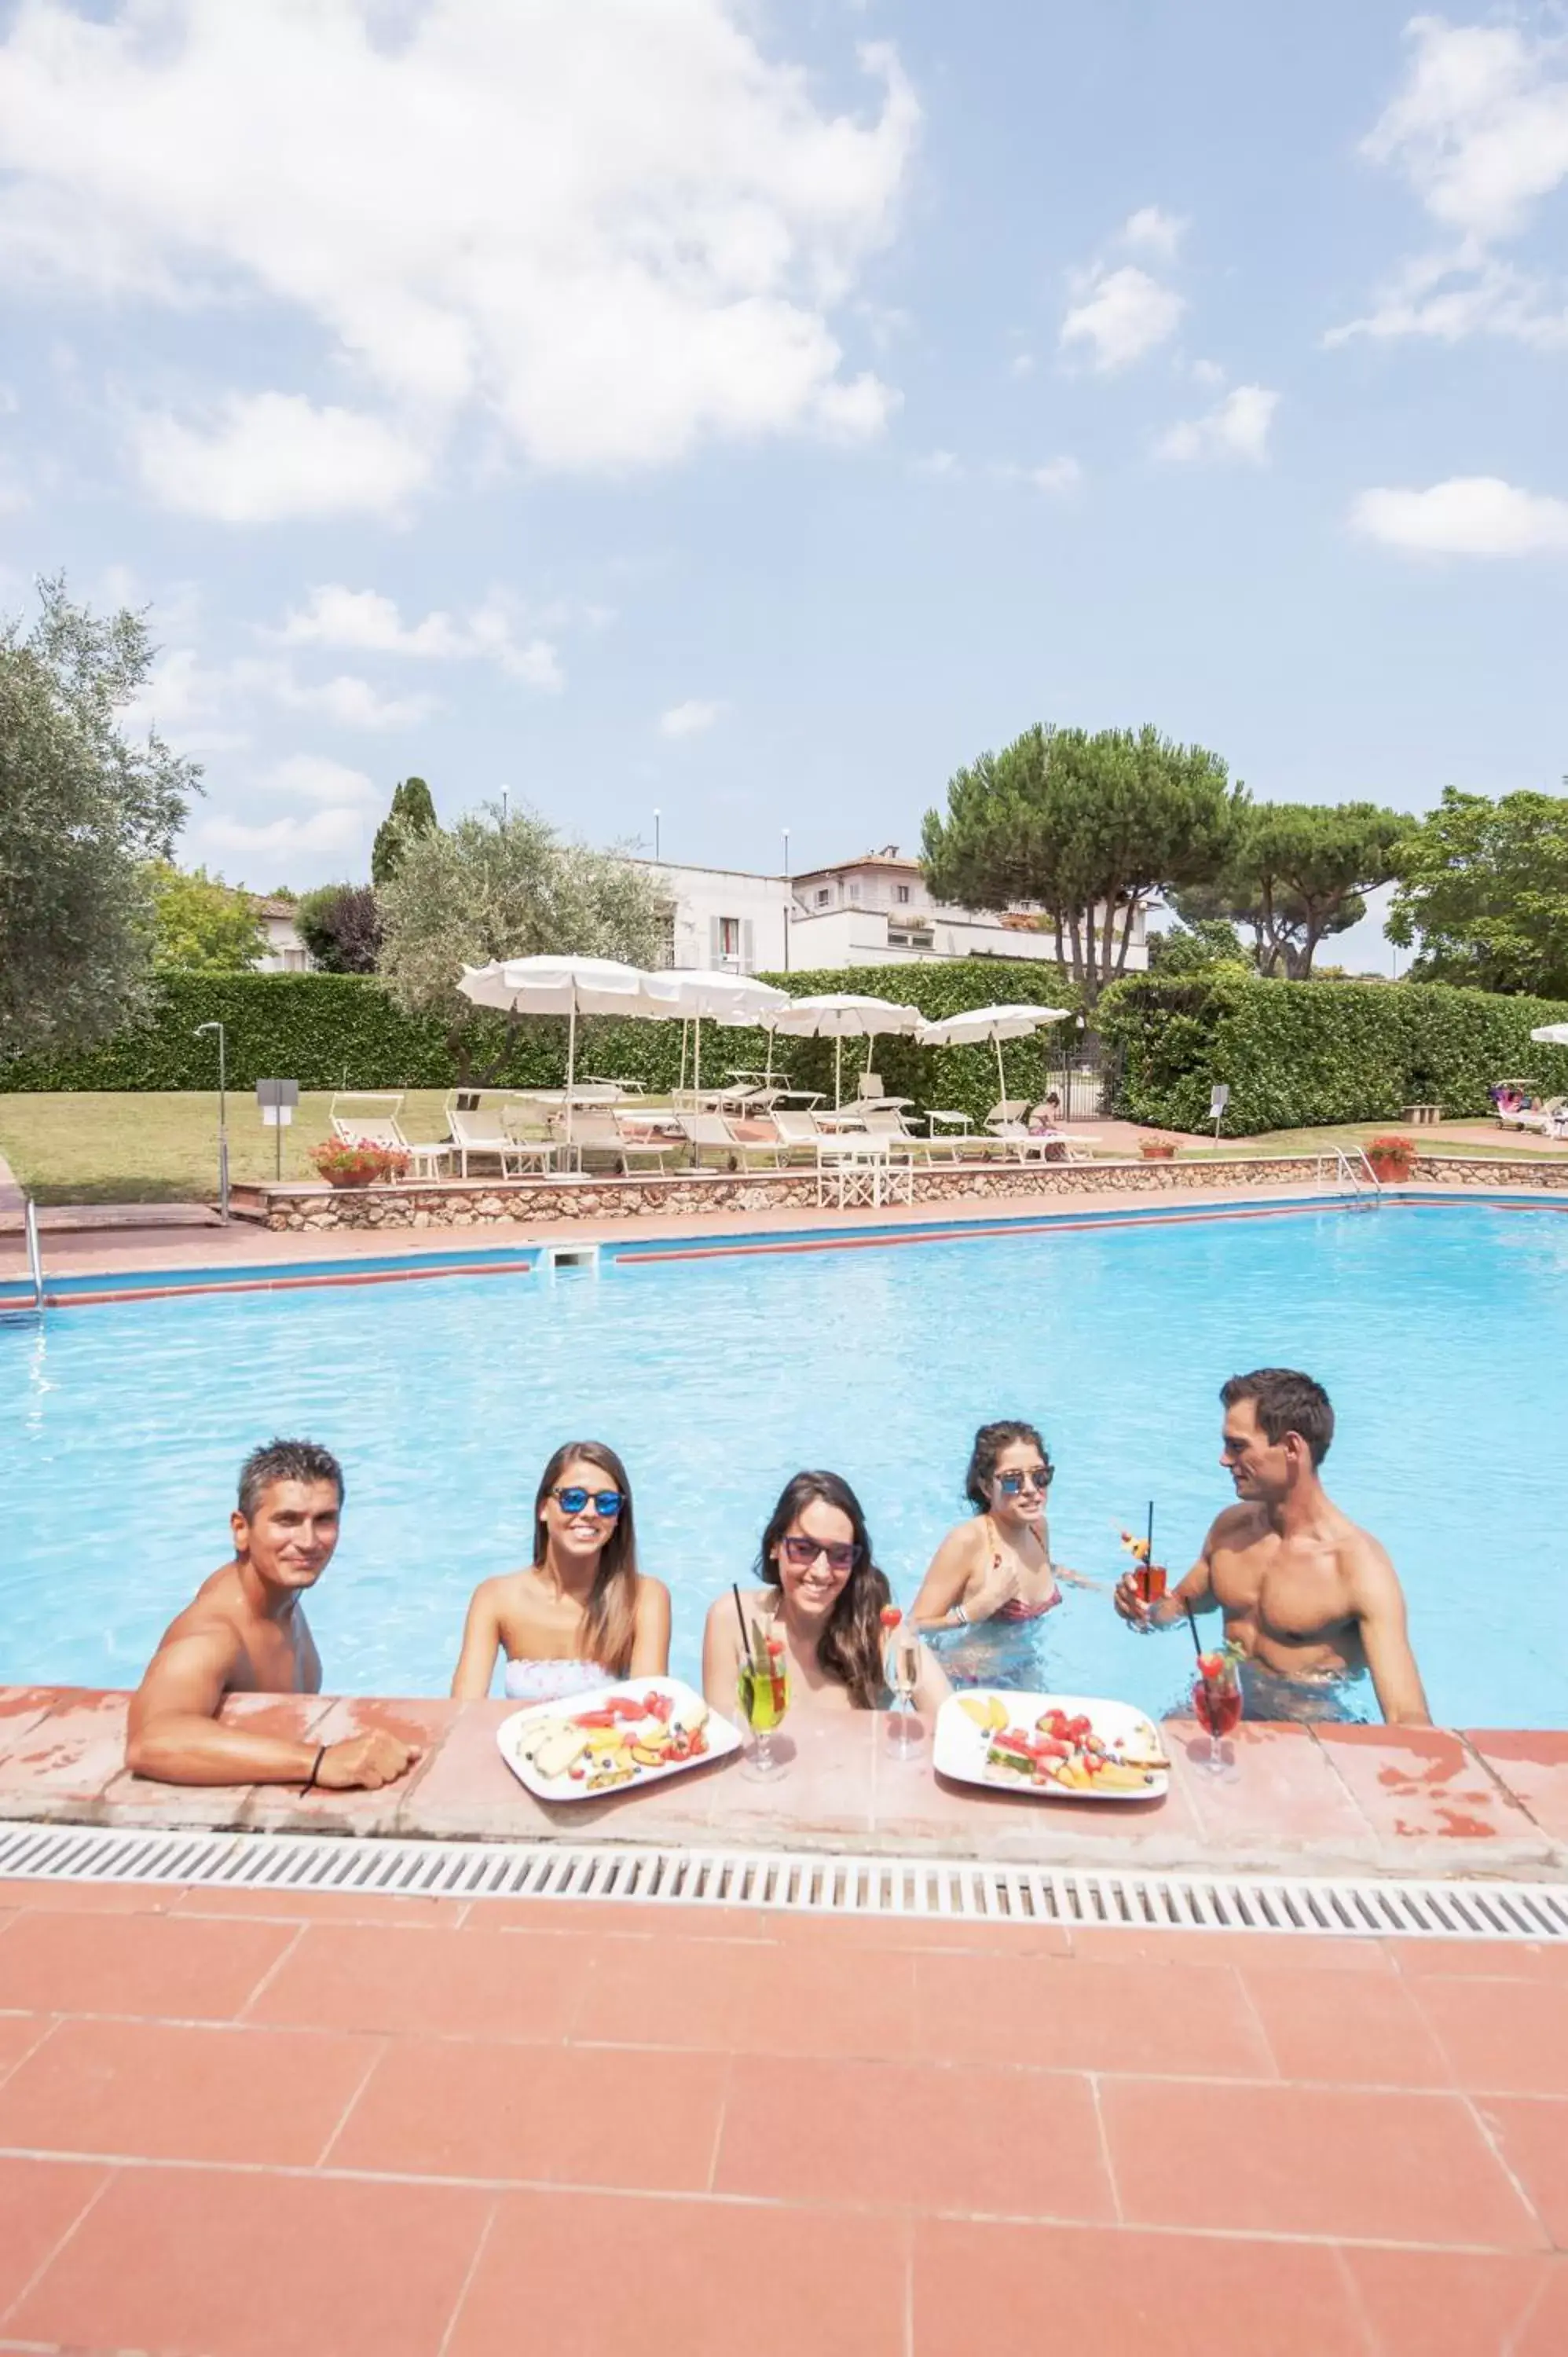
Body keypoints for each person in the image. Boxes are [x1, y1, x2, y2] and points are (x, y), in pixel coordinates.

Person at [1113, 1369, 1431, 1725]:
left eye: (1237, 1446)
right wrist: (1138, 1608)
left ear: (1292, 1448)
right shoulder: (1231, 1530)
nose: (1223, 1459)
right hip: (1227, 1707)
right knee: (1169, 1730)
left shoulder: (1356, 1567)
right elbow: (1173, 1610)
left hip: (1309, 1729)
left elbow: (1407, 1713)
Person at [126, 1438, 420, 1789]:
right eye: (287, 1521)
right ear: (241, 1530)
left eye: (324, 1520)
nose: (309, 1541)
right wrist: (321, 1761)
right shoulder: (213, 1635)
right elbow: (152, 1742)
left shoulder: (281, 1597)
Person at [702, 1469, 951, 1718]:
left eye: (840, 1555)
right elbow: (723, 1737)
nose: (821, 1571)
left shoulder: (871, 1627)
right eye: (804, 1549)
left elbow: (950, 1717)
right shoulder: (733, 1620)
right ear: (775, 1546)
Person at [450, 1439, 670, 1701]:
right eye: (573, 1499)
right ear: (544, 1508)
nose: (590, 1513)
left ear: (618, 1517)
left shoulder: (643, 1598)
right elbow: (463, 1710)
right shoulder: (497, 1598)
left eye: (607, 1503)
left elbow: (649, 1712)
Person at [907, 1420, 1096, 1686]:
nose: (1031, 1490)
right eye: (1012, 1481)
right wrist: (974, 1610)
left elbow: (1045, 1566)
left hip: (1026, 1668)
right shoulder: (967, 1542)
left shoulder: (1037, 1528)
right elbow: (911, 1628)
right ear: (986, 1487)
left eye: (1040, 1476)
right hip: (968, 1682)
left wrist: (1096, 1587)